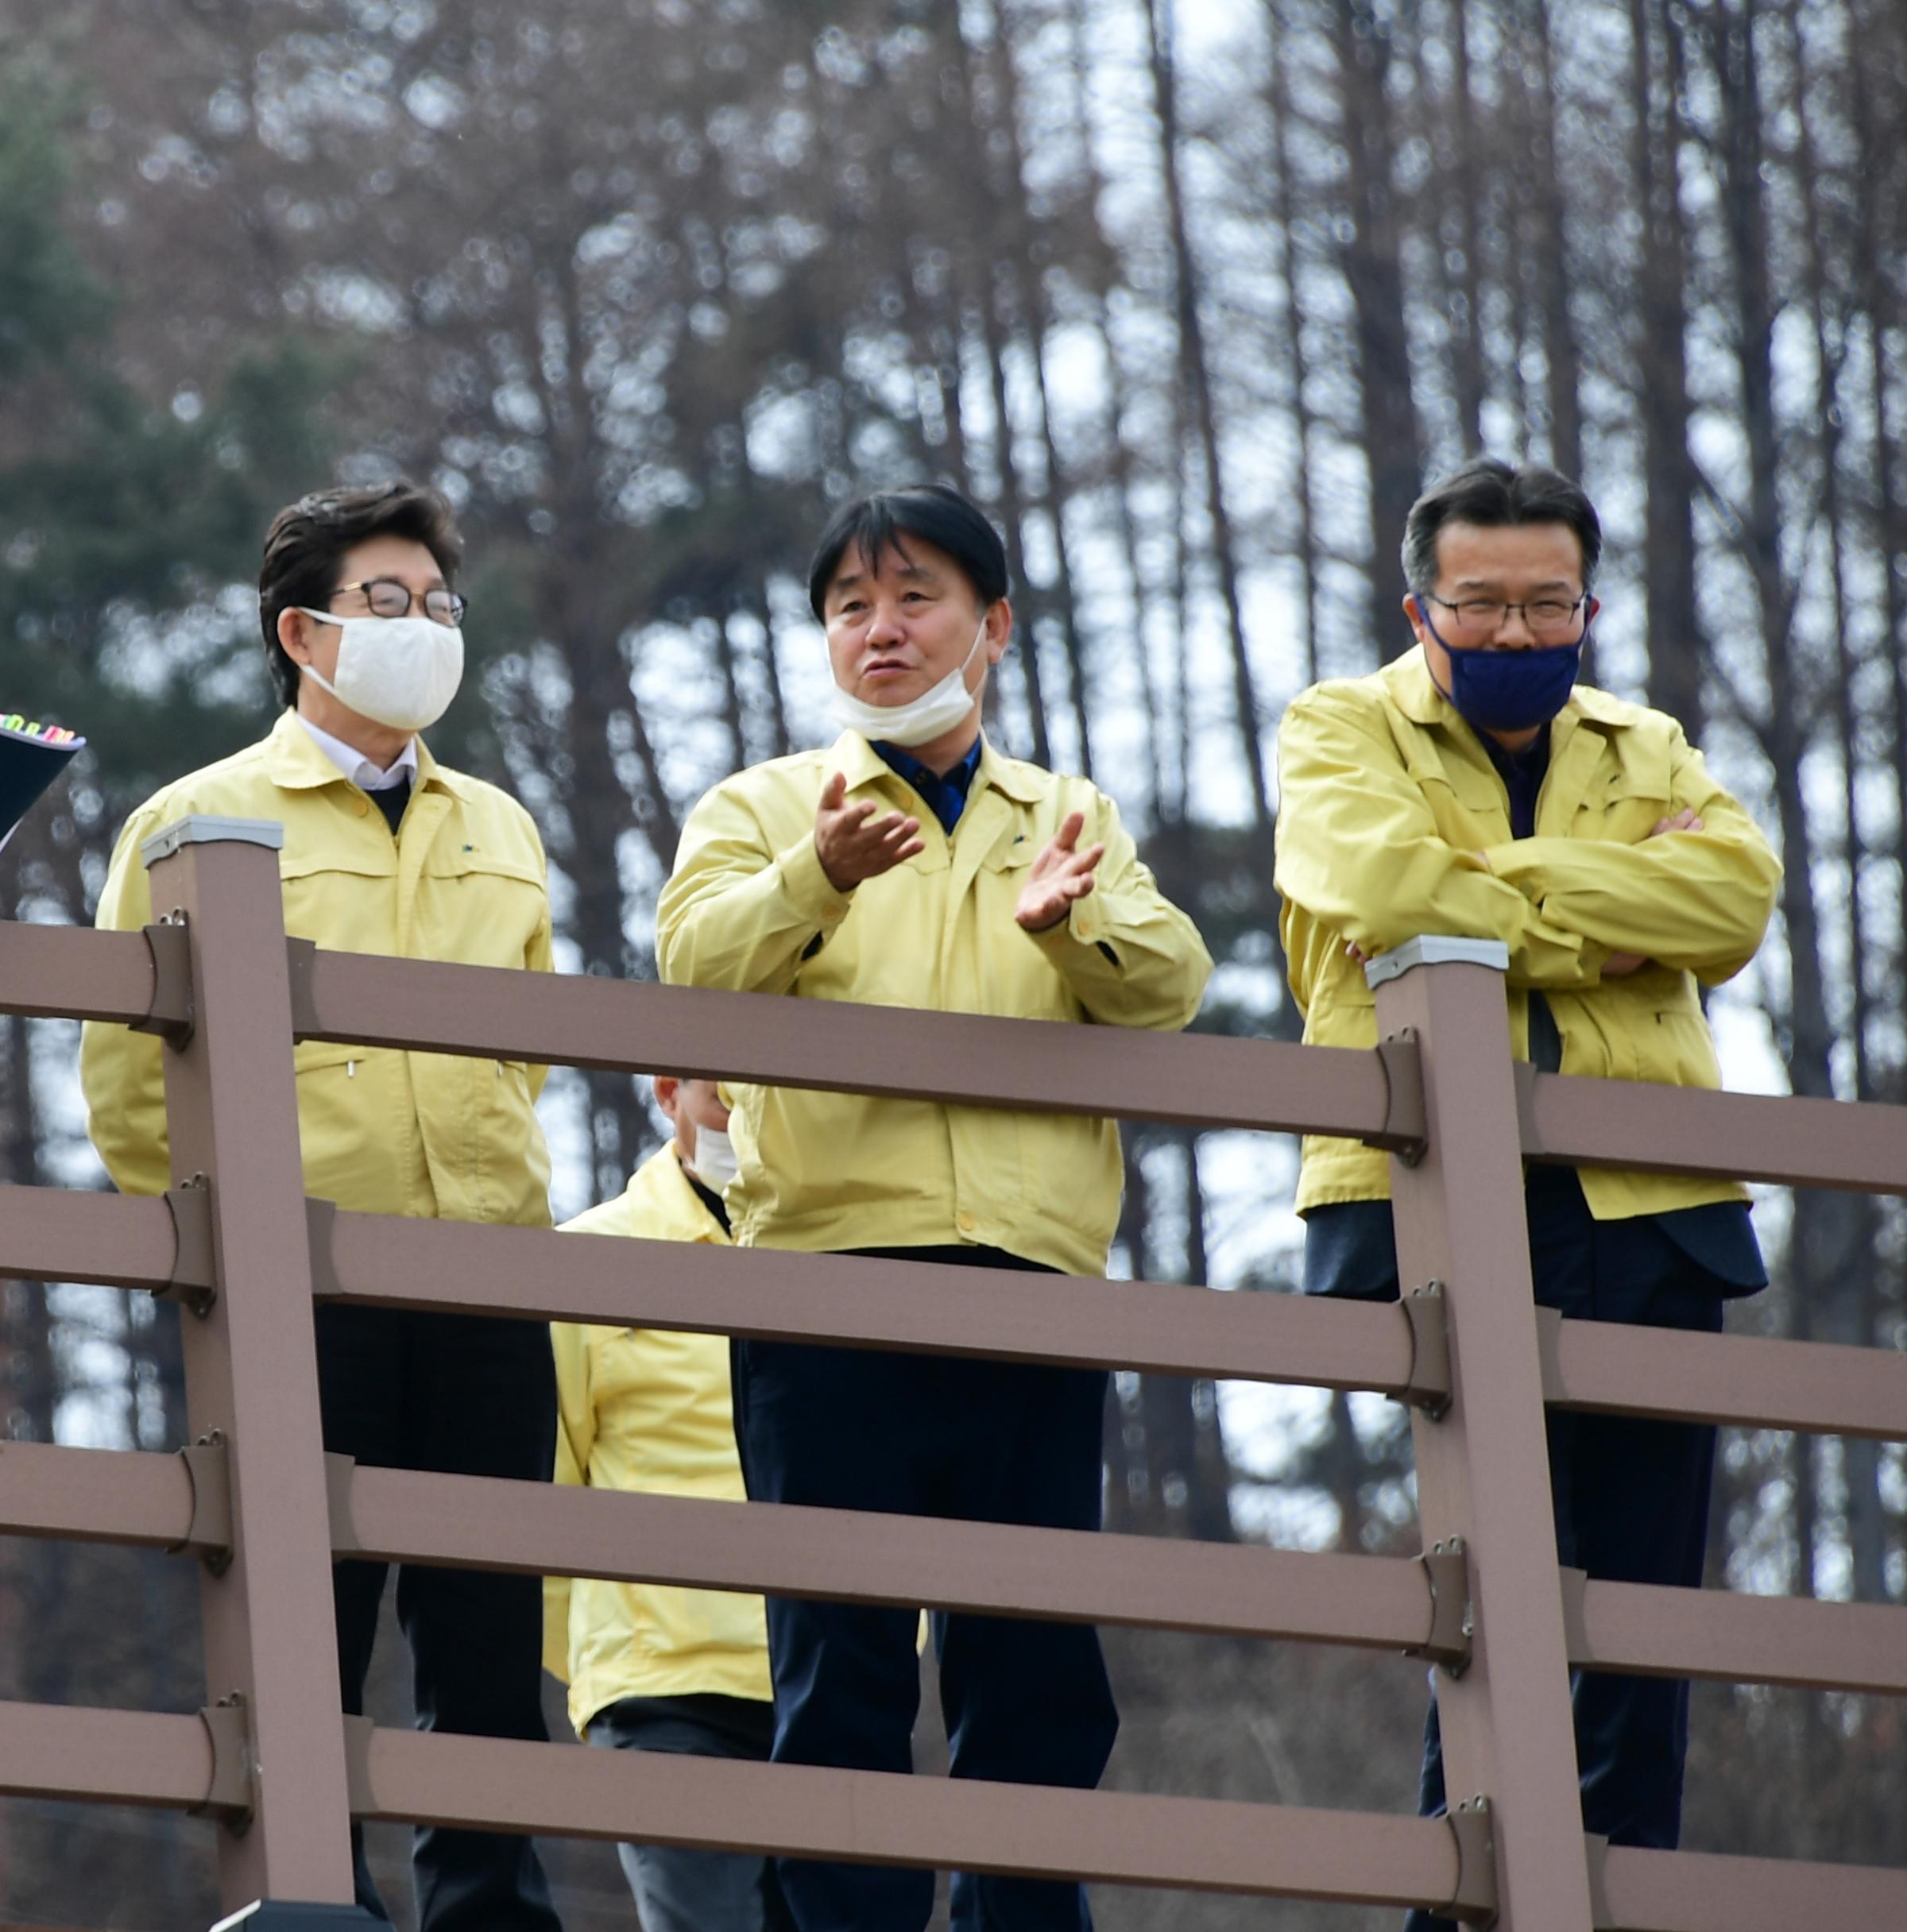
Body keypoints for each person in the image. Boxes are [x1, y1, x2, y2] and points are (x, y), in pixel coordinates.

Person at [656, 484, 1210, 1932]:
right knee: (837, 1657)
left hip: (1029, 1279)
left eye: (914, 599)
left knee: (1030, 1659)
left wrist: (1070, 918)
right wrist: (813, 880)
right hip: (825, 1281)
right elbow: (690, 973)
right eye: (848, 606)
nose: (879, 631)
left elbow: (1166, 985)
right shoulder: (768, 804)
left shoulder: (1066, 811)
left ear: (992, 627)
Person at [1274, 458, 1781, 1930]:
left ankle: (1616, 1909)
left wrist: (1491, 892)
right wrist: (1614, 903)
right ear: (1419, 603)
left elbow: (1733, 901)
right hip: (1436, 1202)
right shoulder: (1335, 725)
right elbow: (1382, 895)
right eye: (1479, 603)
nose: (1512, 631)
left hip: (1652, 1204)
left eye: (1544, 602)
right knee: (1481, 1603)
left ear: (1589, 604)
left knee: (1638, 1621)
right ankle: (1466, 1908)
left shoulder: (1648, 739)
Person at [80, 481, 563, 1931]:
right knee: (311, 1624)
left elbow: (523, 1042)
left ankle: (489, 1906)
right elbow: (127, 1085)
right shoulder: (196, 816)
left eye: (439, 605)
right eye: (387, 603)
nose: (423, 629)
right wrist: (231, 1253)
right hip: (299, 1287)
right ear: (301, 630)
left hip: (482, 1275)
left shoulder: (502, 825)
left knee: (485, 1634)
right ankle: (316, 1901)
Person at [546, 1076, 785, 1932]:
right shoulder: (586, 1259)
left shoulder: (836, 1256)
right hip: (665, 1689)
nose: (745, 1114)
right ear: (669, 1093)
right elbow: (547, 1491)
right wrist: (611, 1665)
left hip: (822, 1679)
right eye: (725, 1096)